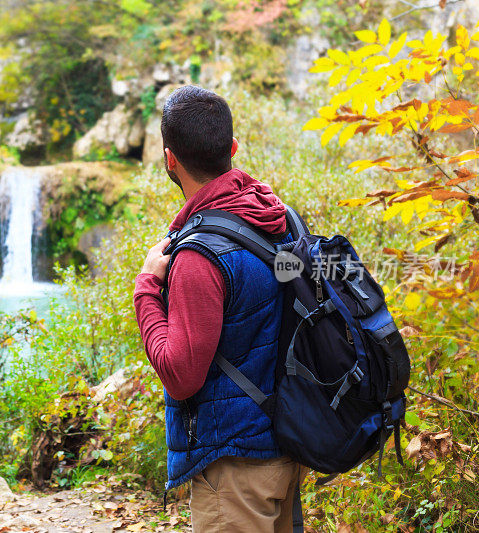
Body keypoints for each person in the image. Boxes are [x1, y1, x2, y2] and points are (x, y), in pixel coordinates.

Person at [133, 86, 305, 532]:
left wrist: (148, 289)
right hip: (287, 443)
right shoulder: (280, 218)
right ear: (232, 148)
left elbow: (181, 374)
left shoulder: (198, 257)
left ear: (169, 159)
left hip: (234, 468)